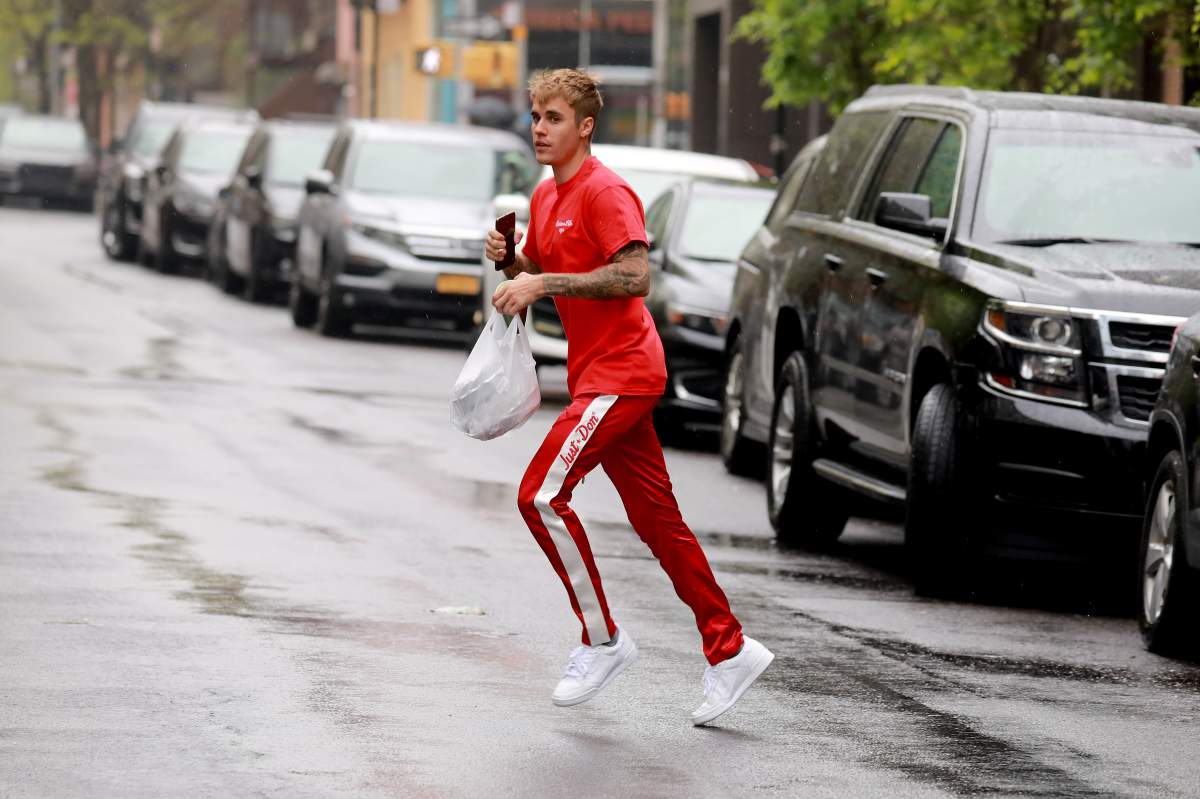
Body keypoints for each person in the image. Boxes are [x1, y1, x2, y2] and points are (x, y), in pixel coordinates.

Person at [485, 68, 773, 726]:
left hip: (623, 374)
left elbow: (634, 274)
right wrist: (513, 264)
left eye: (553, 117)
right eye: (535, 115)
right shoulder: (544, 194)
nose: (539, 127)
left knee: (539, 495)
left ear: (584, 126)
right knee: (658, 524)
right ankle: (730, 649)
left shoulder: (605, 191)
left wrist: (540, 281)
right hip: (601, 377)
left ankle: (602, 638)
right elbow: (545, 272)